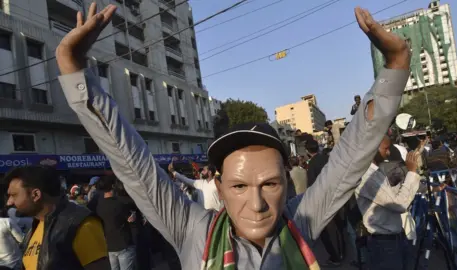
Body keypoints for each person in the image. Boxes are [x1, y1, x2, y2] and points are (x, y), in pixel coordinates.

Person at [56, 3, 410, 269]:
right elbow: (131, 161)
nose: (256, 205)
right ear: (220, 188)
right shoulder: (191, 228)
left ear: (288, 184)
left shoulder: (302, 219)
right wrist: (73, 69)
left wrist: (394, 68)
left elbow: (350, 156)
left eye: (270, 184)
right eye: (239, 186)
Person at [4, 166, 109, 270]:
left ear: (35, 195)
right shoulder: (37, 225)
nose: (9, 202)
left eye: (14, 195)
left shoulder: (80, 224)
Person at [355, 136, 420, 270]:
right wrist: (412, 173)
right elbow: (399, 205)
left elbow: (391, 197)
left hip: (393, 238)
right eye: (385, 148)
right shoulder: (367, 176)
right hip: (384, 243)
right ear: (372, 149)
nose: (388, 153)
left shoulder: (375, 172)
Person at [93, 175, 136, 270]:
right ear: (113, 186)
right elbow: (130, 219)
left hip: (109, 245)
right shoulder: (120, 204)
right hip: (124, 244)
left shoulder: (98, 204)